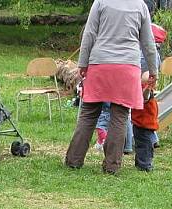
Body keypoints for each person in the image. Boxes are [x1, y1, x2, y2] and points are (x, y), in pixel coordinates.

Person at [65, 0, 159, 175]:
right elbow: (148, 42)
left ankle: (74, 160)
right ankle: (112, 166)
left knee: (88, 114)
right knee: (120, 116)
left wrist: (83, 63)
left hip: (99, 63)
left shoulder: (100, 2)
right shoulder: (140, 5)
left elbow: (89, 34)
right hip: (127, 67)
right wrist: (153, 70)